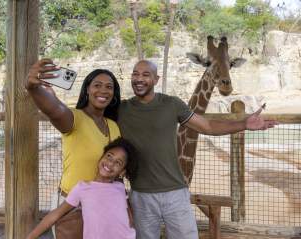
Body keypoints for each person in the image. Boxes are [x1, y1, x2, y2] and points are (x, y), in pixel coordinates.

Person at [117, 60, 278, 239]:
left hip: (175, 193)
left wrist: (244, 124)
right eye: (135, 74)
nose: (139, 79)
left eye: (145, 74)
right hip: (141, 195)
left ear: (156, 79)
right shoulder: (122, 109)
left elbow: (207, 126)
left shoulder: (171, 104)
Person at [26, 59, 121, 237]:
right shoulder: (74, 118)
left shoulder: (114, 126)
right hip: (72, 207)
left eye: (109, 87)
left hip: (103, 205)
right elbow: (55, 109)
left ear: (114, 94)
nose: (103, 90)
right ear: (87, 90)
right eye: (97, 85)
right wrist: (33, 88)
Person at [26, 137, 138, 239]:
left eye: (118, 162)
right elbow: (55, 214)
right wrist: (30, 237)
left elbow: (126, 214)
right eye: (109, 156)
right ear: (101, 157)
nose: (110, 163)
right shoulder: (82, 188)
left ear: (122, 172)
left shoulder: (120, 188)